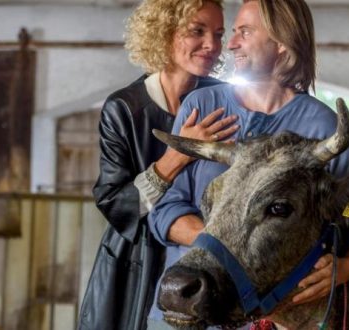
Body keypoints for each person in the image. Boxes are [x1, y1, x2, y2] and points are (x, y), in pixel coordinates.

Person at [147, 0, 349, 327]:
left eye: (244, 32)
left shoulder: (322, 127)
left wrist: (344, 268)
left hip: (264, 320)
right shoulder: (202, 106)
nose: (230, 44)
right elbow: (164, 209)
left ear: (281, 42)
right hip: (183, 302)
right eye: (233, 33)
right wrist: (220, 250)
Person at [77, 1, 238, 329]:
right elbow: (113, 203)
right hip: (140, 260)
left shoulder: (224, 99)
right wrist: (176, 156)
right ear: (163, 33)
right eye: (197, 31)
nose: (212, 44)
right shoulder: (123, 108)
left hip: (210, 253)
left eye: (219, 34)